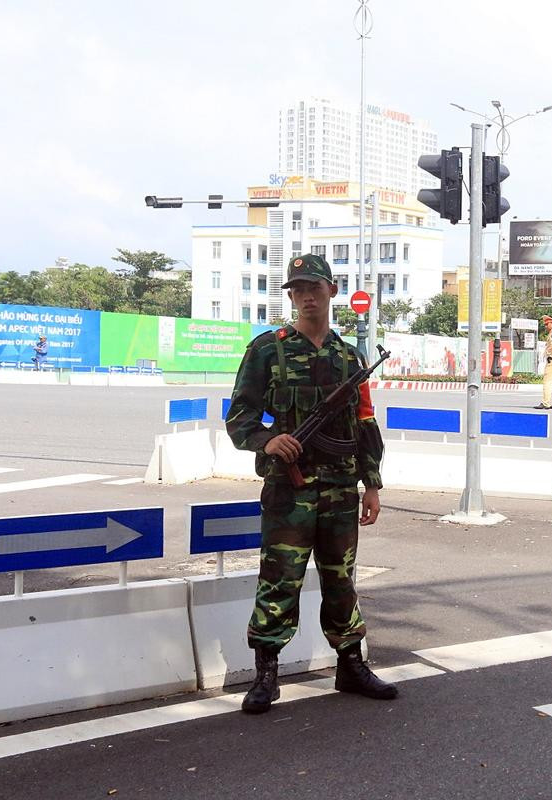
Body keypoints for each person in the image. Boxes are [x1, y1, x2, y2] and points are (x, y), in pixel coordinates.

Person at [226, 253, 397, 714]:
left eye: (314, 288)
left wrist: (373, 485)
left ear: (331, 292)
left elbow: (364, 426)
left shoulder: (349, 358)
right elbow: (239, 417)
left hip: (341, 490)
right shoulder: (268, 349)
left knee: (341, 581)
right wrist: (268, 440)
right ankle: (266, 674)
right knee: (279, 580)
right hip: (289, 491)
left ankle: (350, 665)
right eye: (297, 290)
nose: (305, 297)